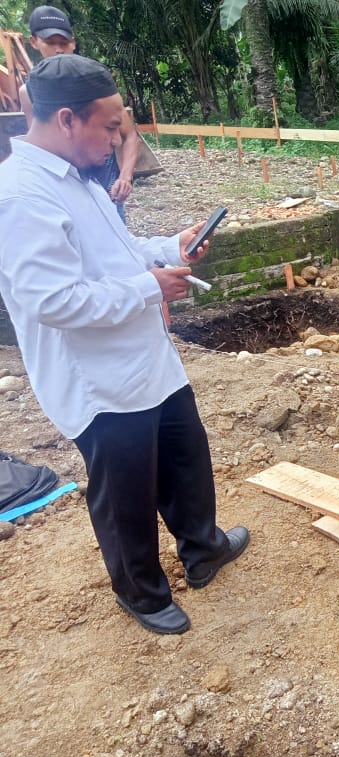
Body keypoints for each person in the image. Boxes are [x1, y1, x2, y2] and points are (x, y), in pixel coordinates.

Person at [0, 54, 249, 635]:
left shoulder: (77, 178)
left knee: (187, 460)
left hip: (147, 361)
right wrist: (149, 287)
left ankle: (203, 548)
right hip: (100, 379)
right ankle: (139, 591)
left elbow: (117, 249)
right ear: (67, 120)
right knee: (126, 493)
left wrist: (169, 248)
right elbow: (52, 302)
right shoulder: (23, 197)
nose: (119, 139)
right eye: (110, 127)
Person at [19, 6, 141, 222]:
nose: (58, 50)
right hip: (64, 190)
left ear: (73, 43)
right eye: (50, 43)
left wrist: (125, 176)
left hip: (103, 183)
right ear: (34, 42)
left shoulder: (96, 86)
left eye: (63, 43)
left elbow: (129, 135)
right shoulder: (29, 94)